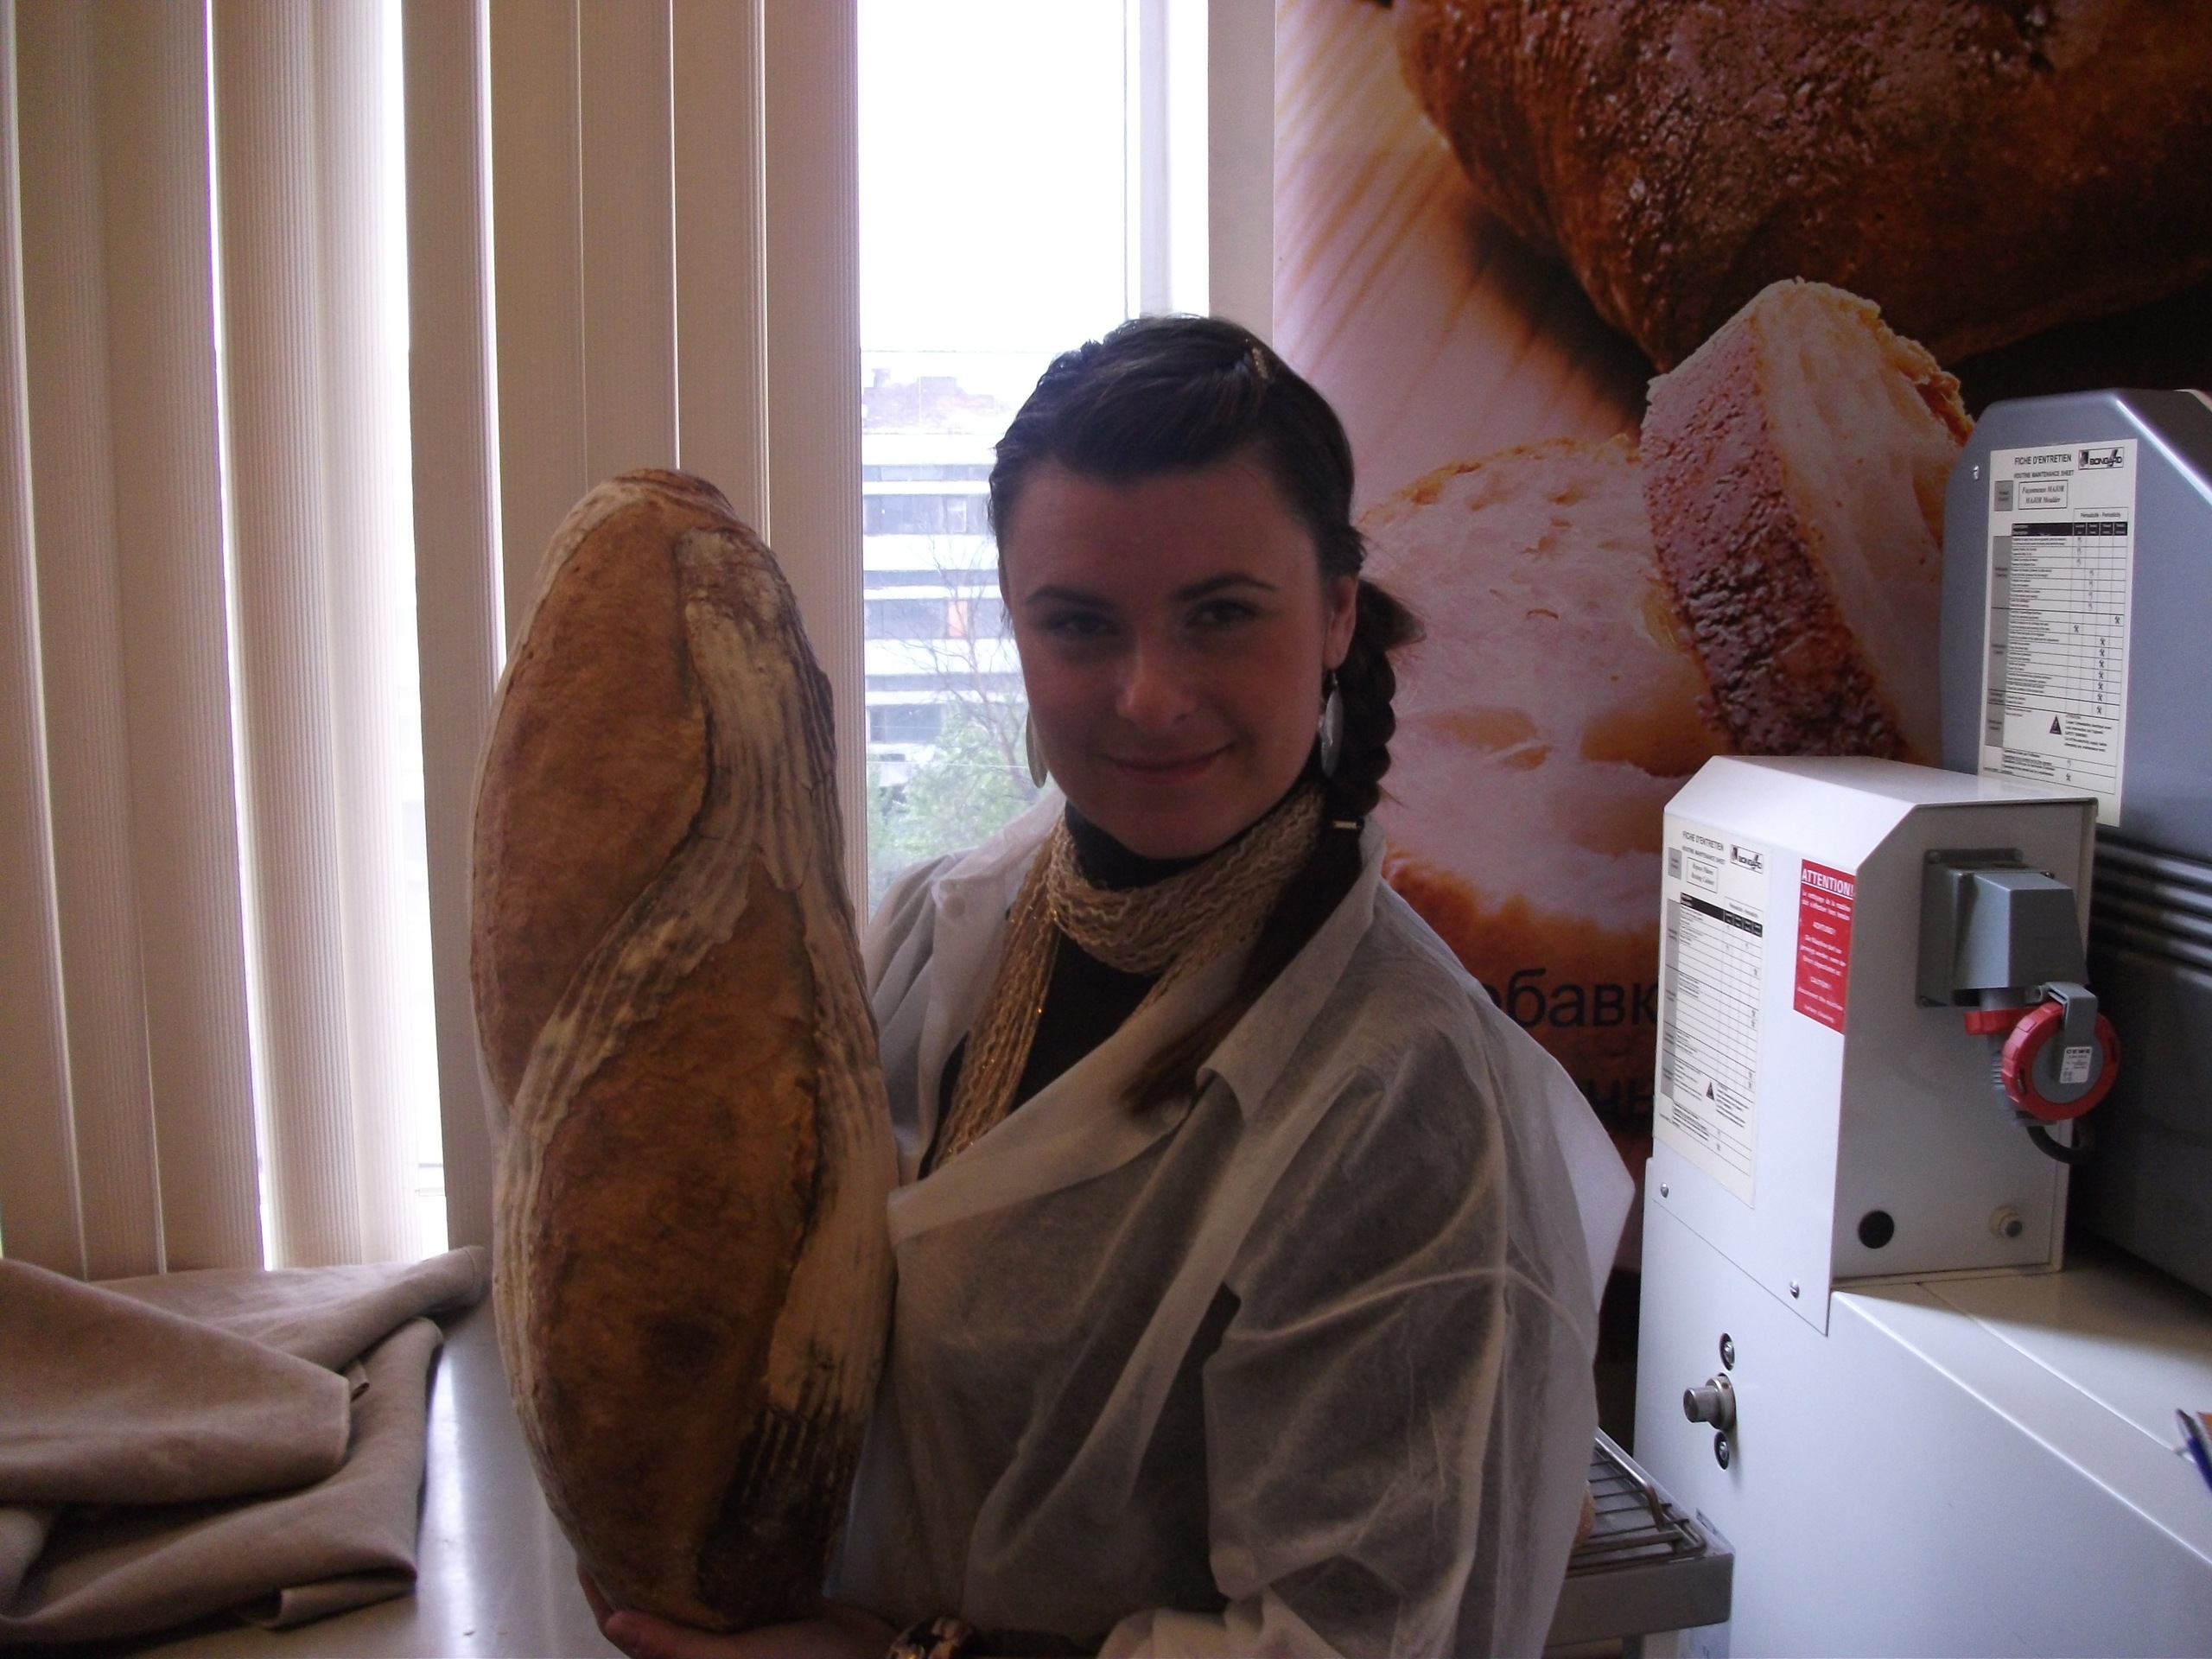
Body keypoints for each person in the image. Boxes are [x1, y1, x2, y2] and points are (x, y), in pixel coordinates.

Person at [583, 317, 1632, 1659]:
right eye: (1080, 623)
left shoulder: (1401, 1102)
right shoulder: (934, 933)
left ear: (1336, 614)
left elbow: (1347, 1642)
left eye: (1221, 614)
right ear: (1014, 624)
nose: (1148, 695)